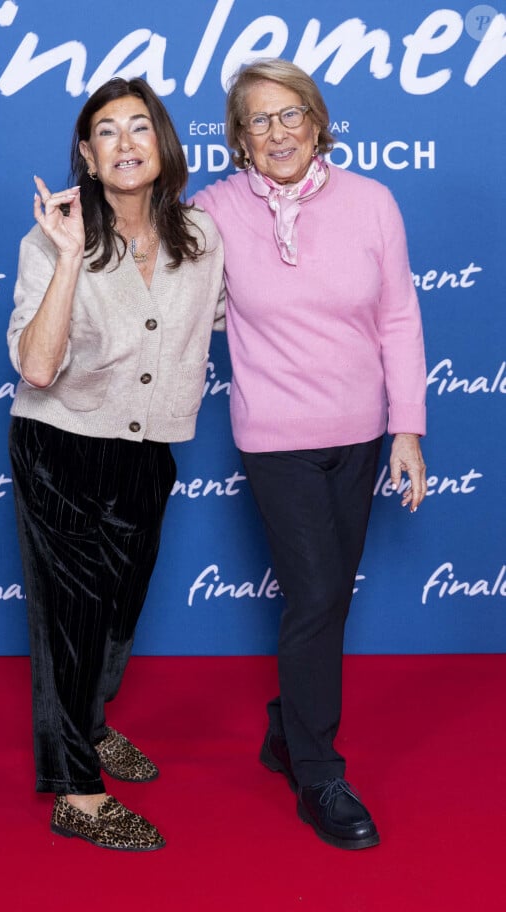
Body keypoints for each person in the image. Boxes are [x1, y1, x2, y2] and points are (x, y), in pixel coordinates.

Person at [193, 59, 427, 851]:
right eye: (259, 121)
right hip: (276, 439)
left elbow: (398, 316)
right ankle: (320, 773)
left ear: (318, 122)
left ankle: (286, 729)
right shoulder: (214, 210)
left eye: (291, 115)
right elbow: (153, 265)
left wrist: (406, 427)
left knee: (325, 601)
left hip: (360, 433)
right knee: (320, 593)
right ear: (239, 140)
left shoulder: (373, 203)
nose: (278, 132)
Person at [7, 77, 224, 851]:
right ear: (87, 157)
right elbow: (37, 368)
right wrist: (68, 259)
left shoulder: (201, 237)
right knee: (69, 622)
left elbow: (235, 319)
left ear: (164, 148)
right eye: (107, 131)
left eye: (141, 127)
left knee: (118, 613)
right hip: (61, 446)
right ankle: (77, 791)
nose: (126, 143)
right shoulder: (51, 239)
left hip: (149, 448)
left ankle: (91, 725)